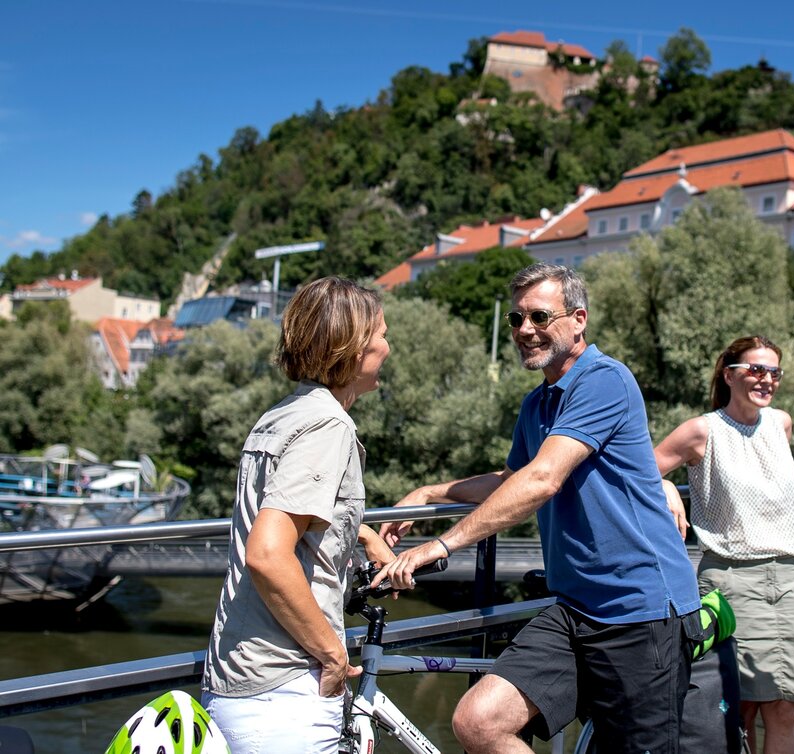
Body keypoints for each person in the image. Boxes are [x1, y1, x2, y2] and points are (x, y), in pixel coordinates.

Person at [376, 262, 701, 754]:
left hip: (641, 611)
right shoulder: (538, 404)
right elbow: (513, 479)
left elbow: (543, 479)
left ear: (578, 319)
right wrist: (428, 493)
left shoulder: (605, 380)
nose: (525, 330)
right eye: (517, 319)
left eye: (540, 317)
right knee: (479, 721)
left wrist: (438, 546)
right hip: (576, 608)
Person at [201, 277, 396, 754]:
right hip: (283, 688)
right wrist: (331, 654)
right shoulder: (327, 427)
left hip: (237, 673)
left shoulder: (281, 416)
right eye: (382, 335)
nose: (388, 348)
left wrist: (362, 534)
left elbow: (288, 515)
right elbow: (268, 553)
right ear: (352, 349)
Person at [653, 335, 794, 754]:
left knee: (788, 708)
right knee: (738, 709)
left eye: (773, 372)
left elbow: (772, 479)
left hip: (792, 580)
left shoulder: (780, 423)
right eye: (755, 369)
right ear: (729, 375)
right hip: (732, 582)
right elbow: (635, 467)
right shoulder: (701, 430)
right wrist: (663, 485)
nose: (765, 379)